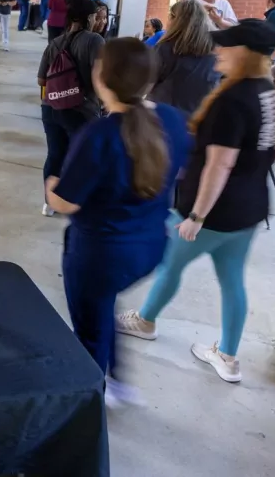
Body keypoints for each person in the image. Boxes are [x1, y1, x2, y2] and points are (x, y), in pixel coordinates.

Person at [116, 20, 275, 384]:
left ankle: (145, 321)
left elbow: (220, 163)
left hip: (212, 212)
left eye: (226, 45)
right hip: (249, 208)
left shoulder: (232, 101)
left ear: (246, 53)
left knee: (169, 265)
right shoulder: (269, 93)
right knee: (232, 279)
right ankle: (228, 356)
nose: (216, 51)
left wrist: (196, 215)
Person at [46, 39, 190, 400]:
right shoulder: (172, 120)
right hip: (151, 247)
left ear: (100, 77)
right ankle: (118, 384)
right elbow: (182, 168)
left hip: (100, 255)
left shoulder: (99, 134)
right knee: (103, 307)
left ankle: (91, 399)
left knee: (89, 332)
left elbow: (65, 202)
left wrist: (50, 185)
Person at [37, 0, 105, 216]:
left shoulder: (55, 42)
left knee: (55, 155)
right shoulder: (94, 41)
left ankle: (49, 203)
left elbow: (41, 80)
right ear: (89, 17)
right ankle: (75, 202)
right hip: (80, 110)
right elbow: (101, 79)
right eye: (95, 17)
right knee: (81, 158)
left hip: (50, 108)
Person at [148, 0, 220, 114]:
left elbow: (148, 80)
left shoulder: (166, 48)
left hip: (165, 114)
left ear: (174, 19)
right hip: (200, 116)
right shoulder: (216, 51)